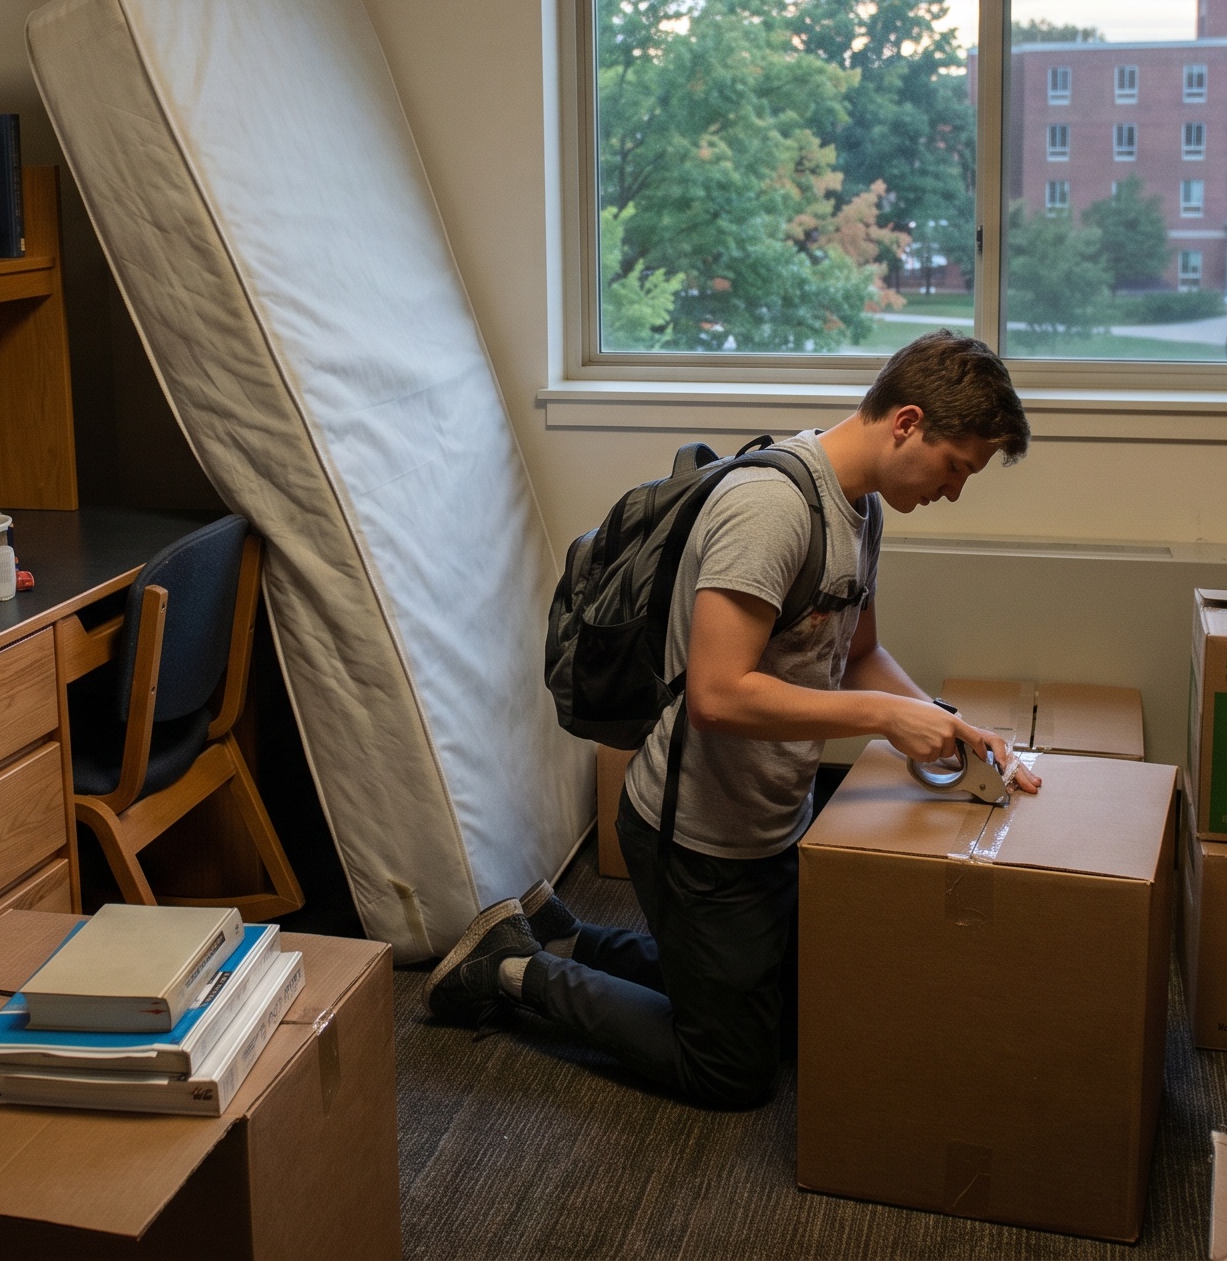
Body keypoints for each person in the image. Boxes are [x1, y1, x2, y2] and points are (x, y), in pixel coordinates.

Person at [427, 329, 1038, 1108]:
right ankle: (514, 970)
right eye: (957, 469)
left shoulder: (861, 511)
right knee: (731, 1071)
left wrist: (944, 722)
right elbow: (718, 696)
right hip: (695, 833)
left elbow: (859, 656)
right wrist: (885, 719)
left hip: (770, 814)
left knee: (790, 1013)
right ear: (908, 422)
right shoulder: (771, 511)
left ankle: (564, 932)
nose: (954, 491)